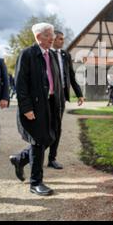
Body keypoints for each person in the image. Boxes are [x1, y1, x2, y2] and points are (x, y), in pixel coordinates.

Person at [9, 23, 62, 196]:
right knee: (39, 142)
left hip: (51, 104)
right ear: (39, 37)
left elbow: (56, 81)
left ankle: (20, 159)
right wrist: (26, 108)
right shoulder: (27, 54)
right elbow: (20, 84)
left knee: (50, 137)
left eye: (52, 34)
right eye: (49, 35)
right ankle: (35, 182)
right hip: (35, 106)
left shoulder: (52, 54)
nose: (52, 38)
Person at [47, 31, 85, 170]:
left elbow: (71, 75)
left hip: (61, 97)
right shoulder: (46, 54)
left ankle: (52, 158)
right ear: (53, 39)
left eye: (63, 39)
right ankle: (30, 155)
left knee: (57, 128)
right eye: (60, 39)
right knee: (46, 128)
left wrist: (79, 94)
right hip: (48, 97)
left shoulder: (65, 55)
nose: (62, 41)